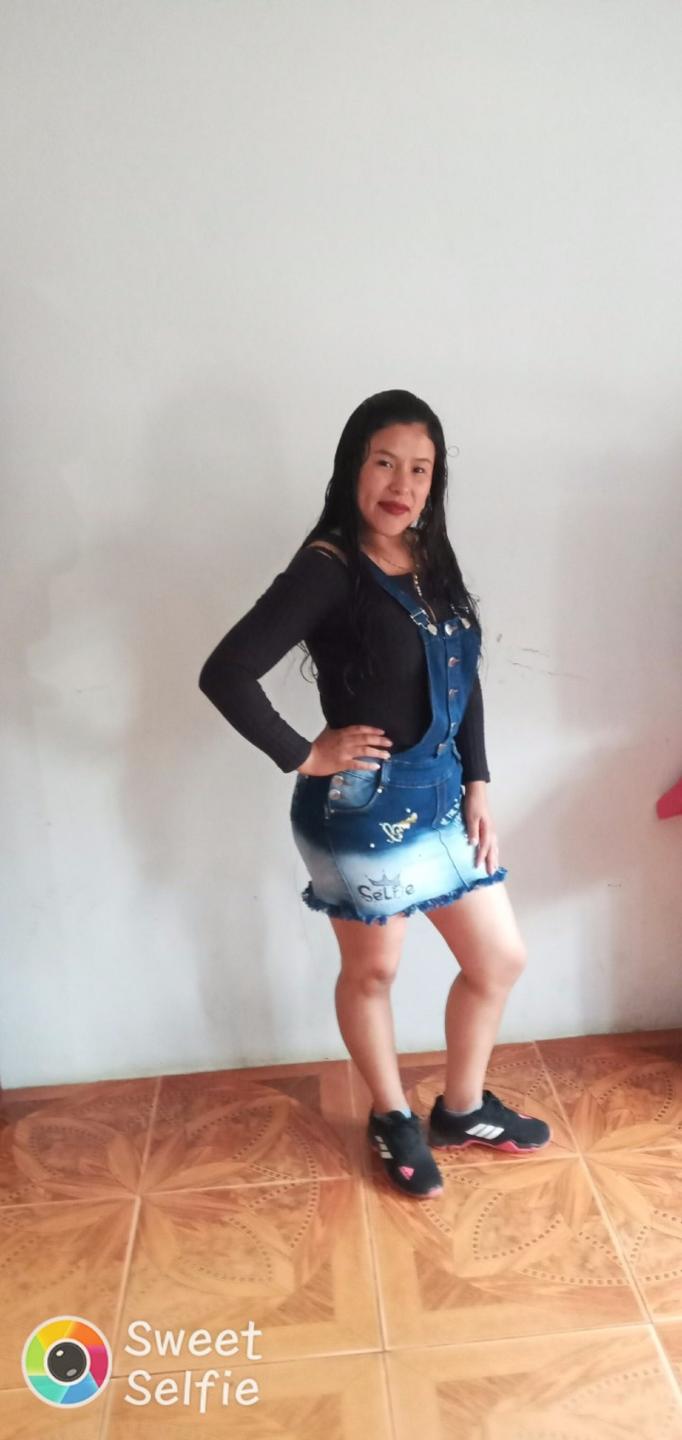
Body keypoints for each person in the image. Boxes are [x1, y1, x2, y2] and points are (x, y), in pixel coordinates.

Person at [199, 389, 550, 1200]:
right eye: (385, 462)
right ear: (353, 466)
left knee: (499, 959)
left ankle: (461, 1109)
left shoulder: (429, 557)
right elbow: (227, 672)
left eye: (420, 469)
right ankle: (391, 1117)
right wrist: (305, 753)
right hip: (361, 807)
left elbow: (464, 677)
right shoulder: (327, 567)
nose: (403, 484)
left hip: (442, 798)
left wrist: (478, 781)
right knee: (375, 972)